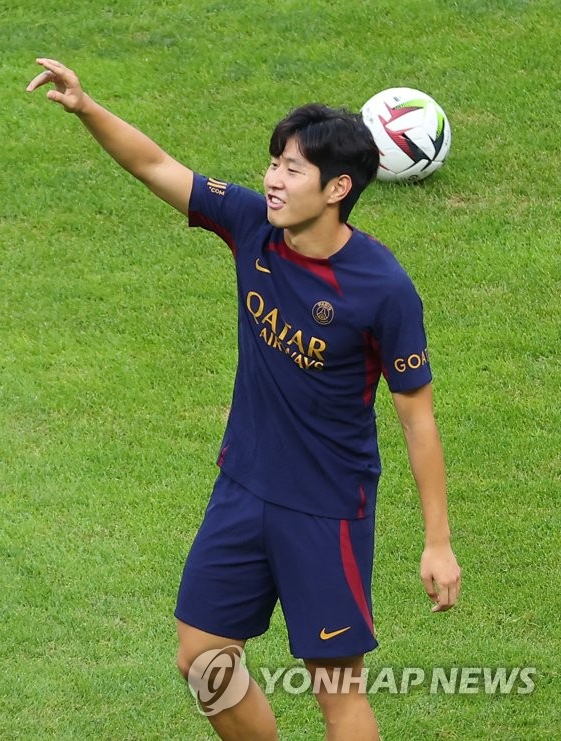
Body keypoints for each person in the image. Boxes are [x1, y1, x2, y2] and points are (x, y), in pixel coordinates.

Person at [27, 58, 461, 740]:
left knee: (337, 695)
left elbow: (418, 417)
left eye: (292, 168)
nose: (273, 178)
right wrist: (86, 106)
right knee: (202, 658)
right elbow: (155, 166)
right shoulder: (254, 226)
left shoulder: (383, 289)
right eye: (274, 163)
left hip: (326, 508)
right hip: (243, 486)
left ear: (338, 186)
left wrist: (438, 542)